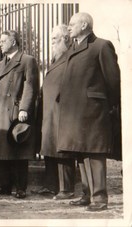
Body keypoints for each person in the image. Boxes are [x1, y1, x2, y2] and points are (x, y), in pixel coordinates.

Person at [57, 12, 121, 211]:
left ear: (84, 25)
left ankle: (100, 198)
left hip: (93, 111)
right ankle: (87, 194)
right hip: (75, 112)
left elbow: (113, 80)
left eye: (72, 24)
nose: (68, 28)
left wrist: (110, 106)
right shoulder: (73, 48)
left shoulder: (101, 46)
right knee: (81, 153)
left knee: (95, 154)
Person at [0, 30, 39, 199]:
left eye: (3, 41)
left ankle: (20, 188)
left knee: (18, 151)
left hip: (15, 112)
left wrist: (24, 109)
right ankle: (4, 186)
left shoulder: (27, 60)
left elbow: (31, 86)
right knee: (1, 152)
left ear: (13, 42)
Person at [39, 25, 76, 200]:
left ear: (65, 39)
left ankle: (66, 189)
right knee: (50, 149)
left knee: (62, 151)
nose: (52, 42)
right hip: (50, 111)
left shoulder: (70, 57)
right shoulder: (56, 58)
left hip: (62, 111)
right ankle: (51, 186)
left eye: (55, 39)